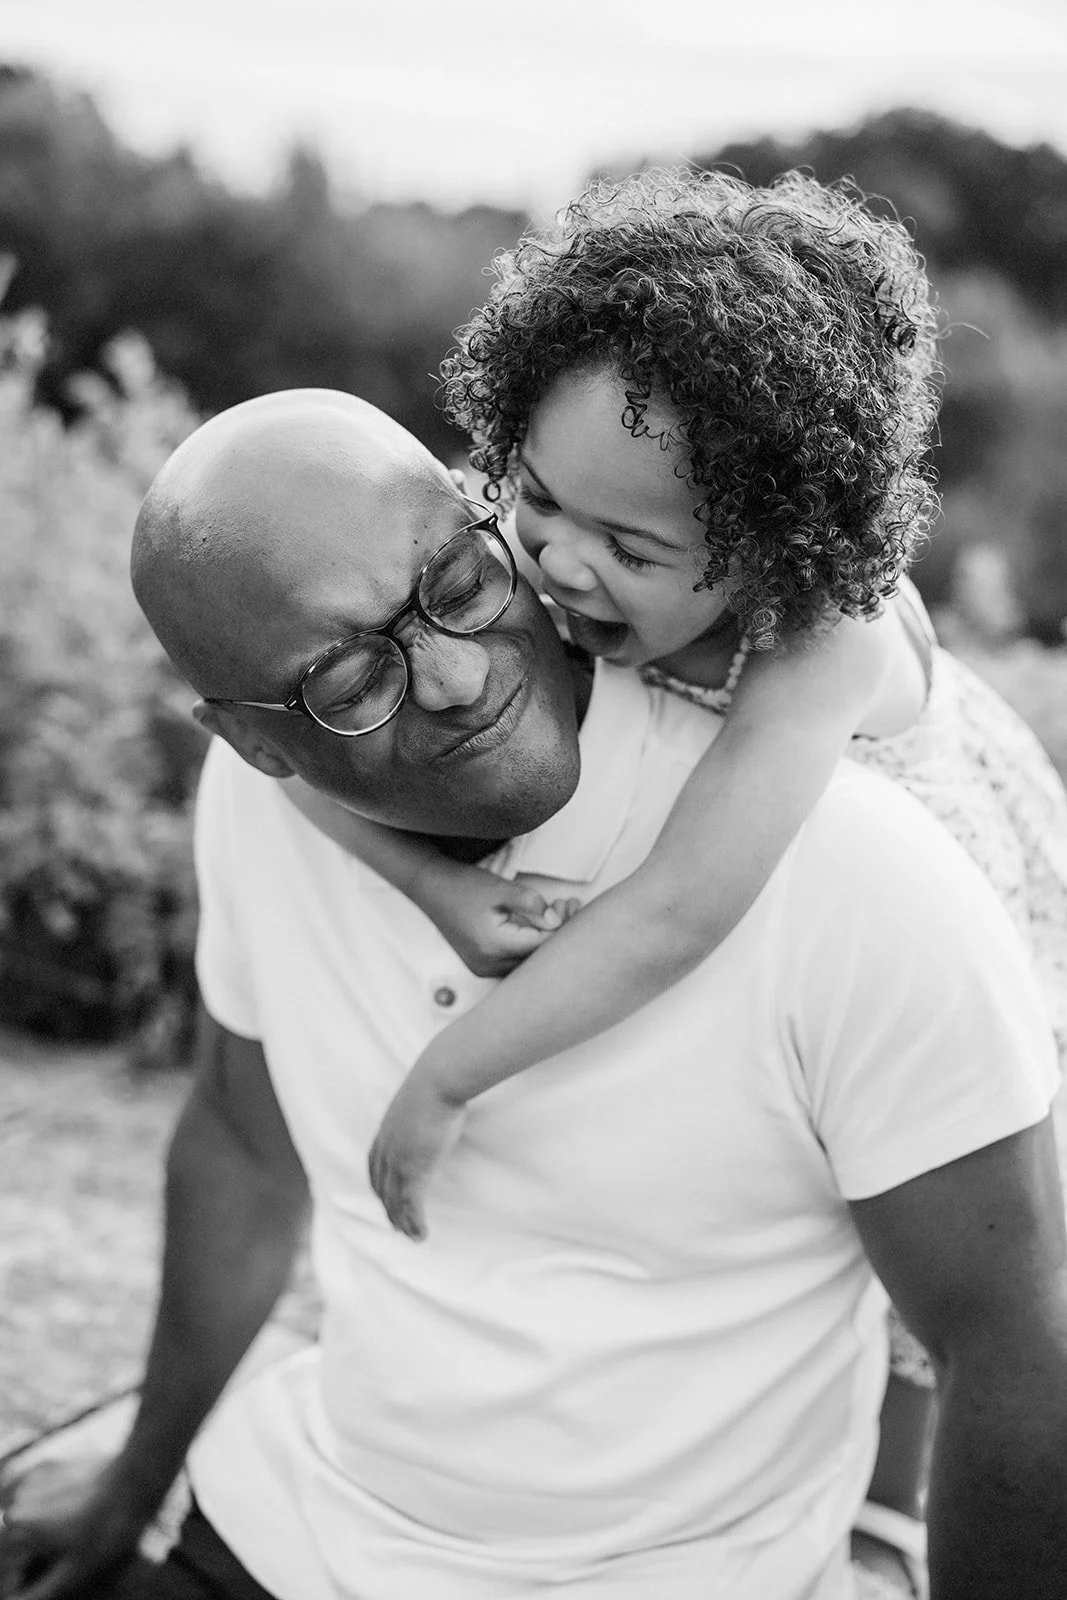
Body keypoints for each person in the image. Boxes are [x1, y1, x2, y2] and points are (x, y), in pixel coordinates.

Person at [2, 387, 1066, 1600]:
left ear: (475, 518)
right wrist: (133, 1483)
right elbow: (243, 1150)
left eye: (457, 584)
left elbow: (1011, 1335)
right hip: (300, 1526)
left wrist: (450, 1071)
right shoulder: (264, 802)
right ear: (257, 744)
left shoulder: (842, 859)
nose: (456, 676)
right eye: (350, 680)